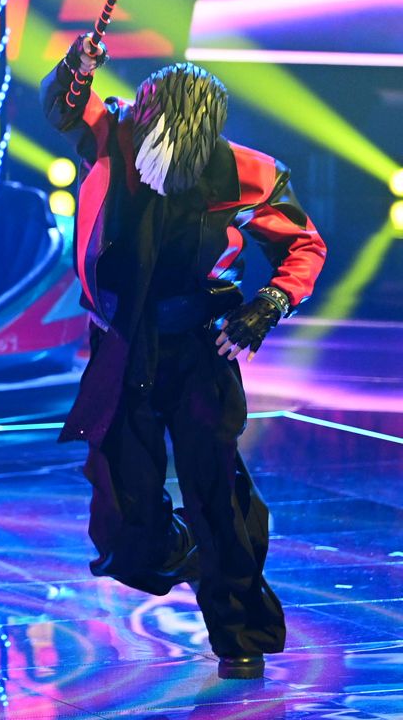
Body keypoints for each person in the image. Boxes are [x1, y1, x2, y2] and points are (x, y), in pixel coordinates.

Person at [43, 34, 326, 679]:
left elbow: (304, 245)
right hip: (124, 344)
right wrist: (76, 66)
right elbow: (66, 104)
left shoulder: (246, 171)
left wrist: (267, 305)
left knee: (215, 492)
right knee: (125, 512)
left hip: (200, 344)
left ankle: (239, 632)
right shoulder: (114, 134)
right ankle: (183, 554)